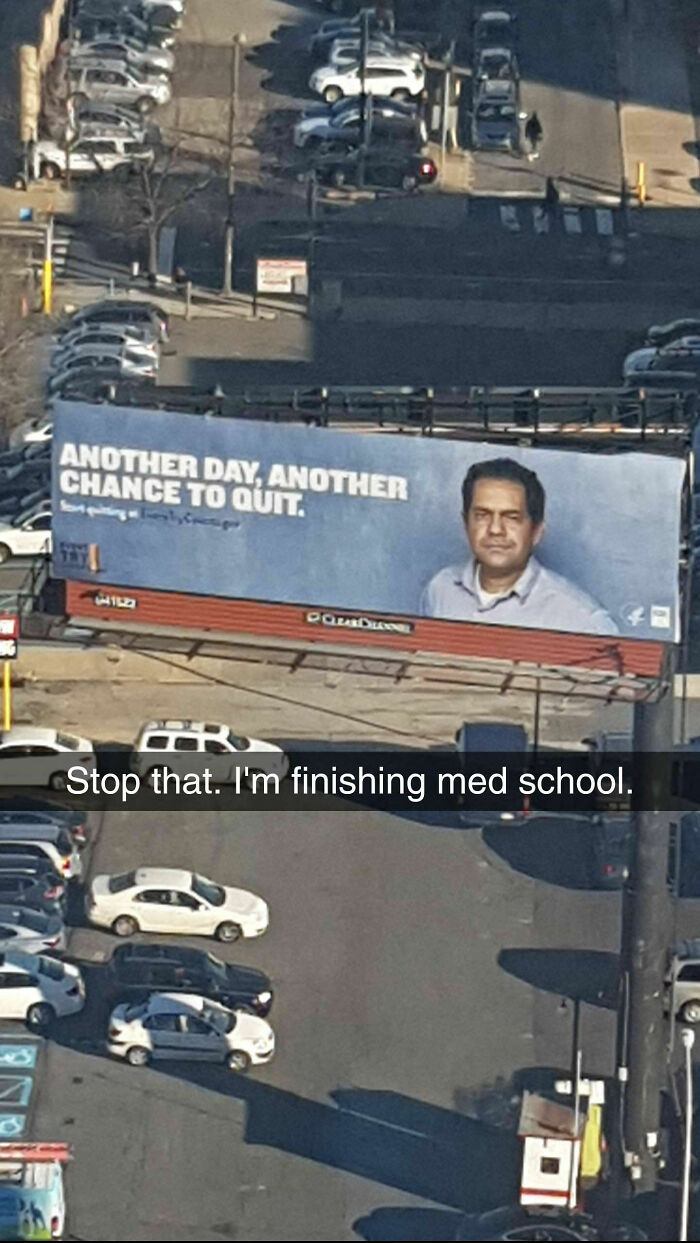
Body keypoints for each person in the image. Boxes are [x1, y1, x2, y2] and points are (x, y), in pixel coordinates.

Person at [420, 457, 618, 635]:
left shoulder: (582, 620)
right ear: (466, 523)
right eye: (482, 516)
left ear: (536, 531)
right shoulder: (440, 589)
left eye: (512, 518)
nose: (495, 529)